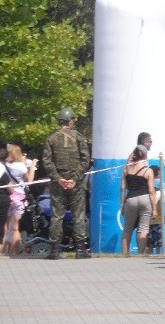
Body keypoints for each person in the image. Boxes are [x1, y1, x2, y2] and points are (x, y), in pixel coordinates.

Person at [42, 107, 91, 259]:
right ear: (71, 121)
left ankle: (55, 251)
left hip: (58, 184)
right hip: (76, 183)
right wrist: (75, 178)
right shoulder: (79, 137)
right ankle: (80, 250)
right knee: (79, 215)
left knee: (57, 216)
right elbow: (85, 160)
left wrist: (59, 178)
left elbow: (47, 161)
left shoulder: (51, 139)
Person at [120, 143, 157, 255]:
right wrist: (154, 208)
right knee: (143, 229)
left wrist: (122, 205)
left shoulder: (126, 169)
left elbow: (122, 188)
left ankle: (125, 254)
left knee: (127, 229)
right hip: (145, 199)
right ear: (145, 156)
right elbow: (151, 191)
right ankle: (140, 254)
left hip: (130, 199)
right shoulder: (148, 171)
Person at [3, 144, 37, 254]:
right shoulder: (20, 166)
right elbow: (29, 181)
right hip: (19, 196)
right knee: (15, 227)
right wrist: (32, 167)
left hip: (8, 195)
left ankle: (4, 250)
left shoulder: (5, 165)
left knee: (6, 226)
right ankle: (14, 251)